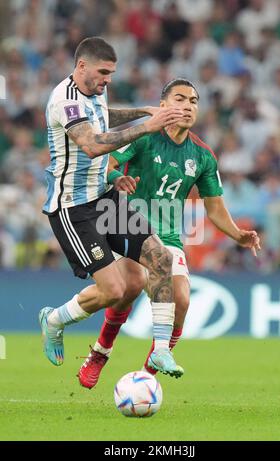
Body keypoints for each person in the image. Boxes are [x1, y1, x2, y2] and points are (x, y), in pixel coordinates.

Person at [78, 78, 261, 389]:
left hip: (169, 233)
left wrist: (237, 234)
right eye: (180, 99)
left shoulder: (202, 155)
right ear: (162, 105)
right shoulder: (143, 136)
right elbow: (107, 159)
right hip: (128, 222)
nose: (187, 106)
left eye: (193, 101)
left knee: (182, 299)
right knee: (129, 287)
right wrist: (113, 176)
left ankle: (146, 379)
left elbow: (214, 207)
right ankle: (100, 352)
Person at [39, 37, 186, 378]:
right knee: (113, 290)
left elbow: (103, 117)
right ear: (81, 67)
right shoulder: (65, 100)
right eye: (103, 72)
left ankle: (161, 351)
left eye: (111, 74)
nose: (107, 79)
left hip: (103, 196)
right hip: (72, 209)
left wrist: (144, 110)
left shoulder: (95, 91)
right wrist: (147, 126)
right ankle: (53, 319)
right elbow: (91, 144)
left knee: (160, 258)